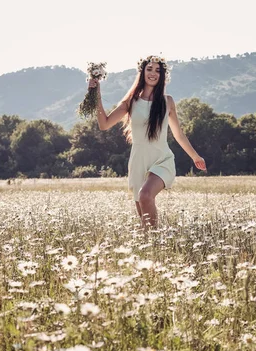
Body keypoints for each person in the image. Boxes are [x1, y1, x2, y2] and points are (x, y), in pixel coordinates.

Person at [88, 55, 206, 229]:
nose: (153, 73)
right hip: (138, 161)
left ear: (162, 75)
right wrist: (95, 93)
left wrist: (195, 156)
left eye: (158, 70)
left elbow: (178, 134)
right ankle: (153, 248)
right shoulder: (131, 102)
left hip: (162, 159)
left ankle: (155, 240)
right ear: (142, 72)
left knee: (145, 195)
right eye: (149, 69)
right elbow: (104, 124)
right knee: (144, 220)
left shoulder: (168, 102)